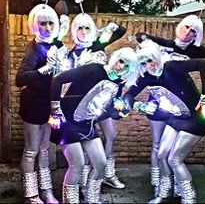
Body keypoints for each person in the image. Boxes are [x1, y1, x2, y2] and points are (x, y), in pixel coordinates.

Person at [130, 14, 205, 202]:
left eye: (193, 31)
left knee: (174, 159)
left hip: (191, 109)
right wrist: (135, 104)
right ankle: (162, 189)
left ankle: (184, 193)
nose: (187, 33)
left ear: (196, 36)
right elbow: (141, 37)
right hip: (166, 107)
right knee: (161, 152)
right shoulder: (161, 54)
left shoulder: (186, 57)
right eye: (186, 27)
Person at [48, 47, 138, 203]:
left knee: (101, 164)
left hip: (87, 125)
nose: (121, 66)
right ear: (115, 58)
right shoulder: (94, 69)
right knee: (77, 164)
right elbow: (58, 79)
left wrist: (121, 112)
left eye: (127, 65)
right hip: (67, 122)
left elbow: (108, 110)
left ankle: (92, 199)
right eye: (121, 61)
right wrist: (56, 111)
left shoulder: (118, 83)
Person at [66, 4, 127, 191]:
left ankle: (108, 174)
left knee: (111, 134)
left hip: (102, 101)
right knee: (86, 142)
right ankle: (85, 181)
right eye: (80, 28)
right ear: (74, 30)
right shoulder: (68, 54)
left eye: (87, 28)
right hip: (82, 105)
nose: (83, 32)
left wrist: (105, 30)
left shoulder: (97, 44)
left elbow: (122, 30)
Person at [15, 0, 69, 203]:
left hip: (49, 104)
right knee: (31, 151)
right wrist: (42, 70)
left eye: (50, 23)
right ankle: (31, 194)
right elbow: (20, 78)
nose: (47, 27)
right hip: (33, 105)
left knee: (45, 149)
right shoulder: (34, 49)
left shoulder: (54, 43)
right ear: (35, 25)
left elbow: (63, 7)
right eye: (42, 23)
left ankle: (46, 191)